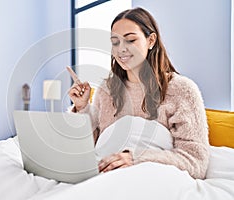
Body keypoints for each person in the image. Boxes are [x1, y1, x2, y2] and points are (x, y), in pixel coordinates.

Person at [68, 7, 209, 179]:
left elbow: (195, 161)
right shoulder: (106, 91)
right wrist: (83, 108)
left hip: (149, 178)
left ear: (151, 41)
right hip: (101, 176)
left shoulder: (181, 90)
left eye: (130, 40)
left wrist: (136, 159)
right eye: (115, 42)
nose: (121, 50)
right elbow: (89, 150)